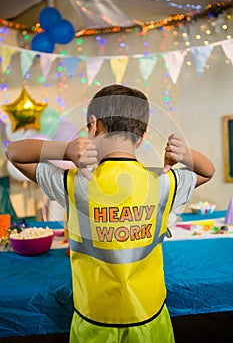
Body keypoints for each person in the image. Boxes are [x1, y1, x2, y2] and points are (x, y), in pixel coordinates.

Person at [5, 84, 215, 343]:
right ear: (144, 134)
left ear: (93, 126)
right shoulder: (163, 183)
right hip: (149, 319)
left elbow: (13, 153)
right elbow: (208, 172)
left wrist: (64, 150)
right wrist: (185, 155)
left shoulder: (74, 183)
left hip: (93, 321)